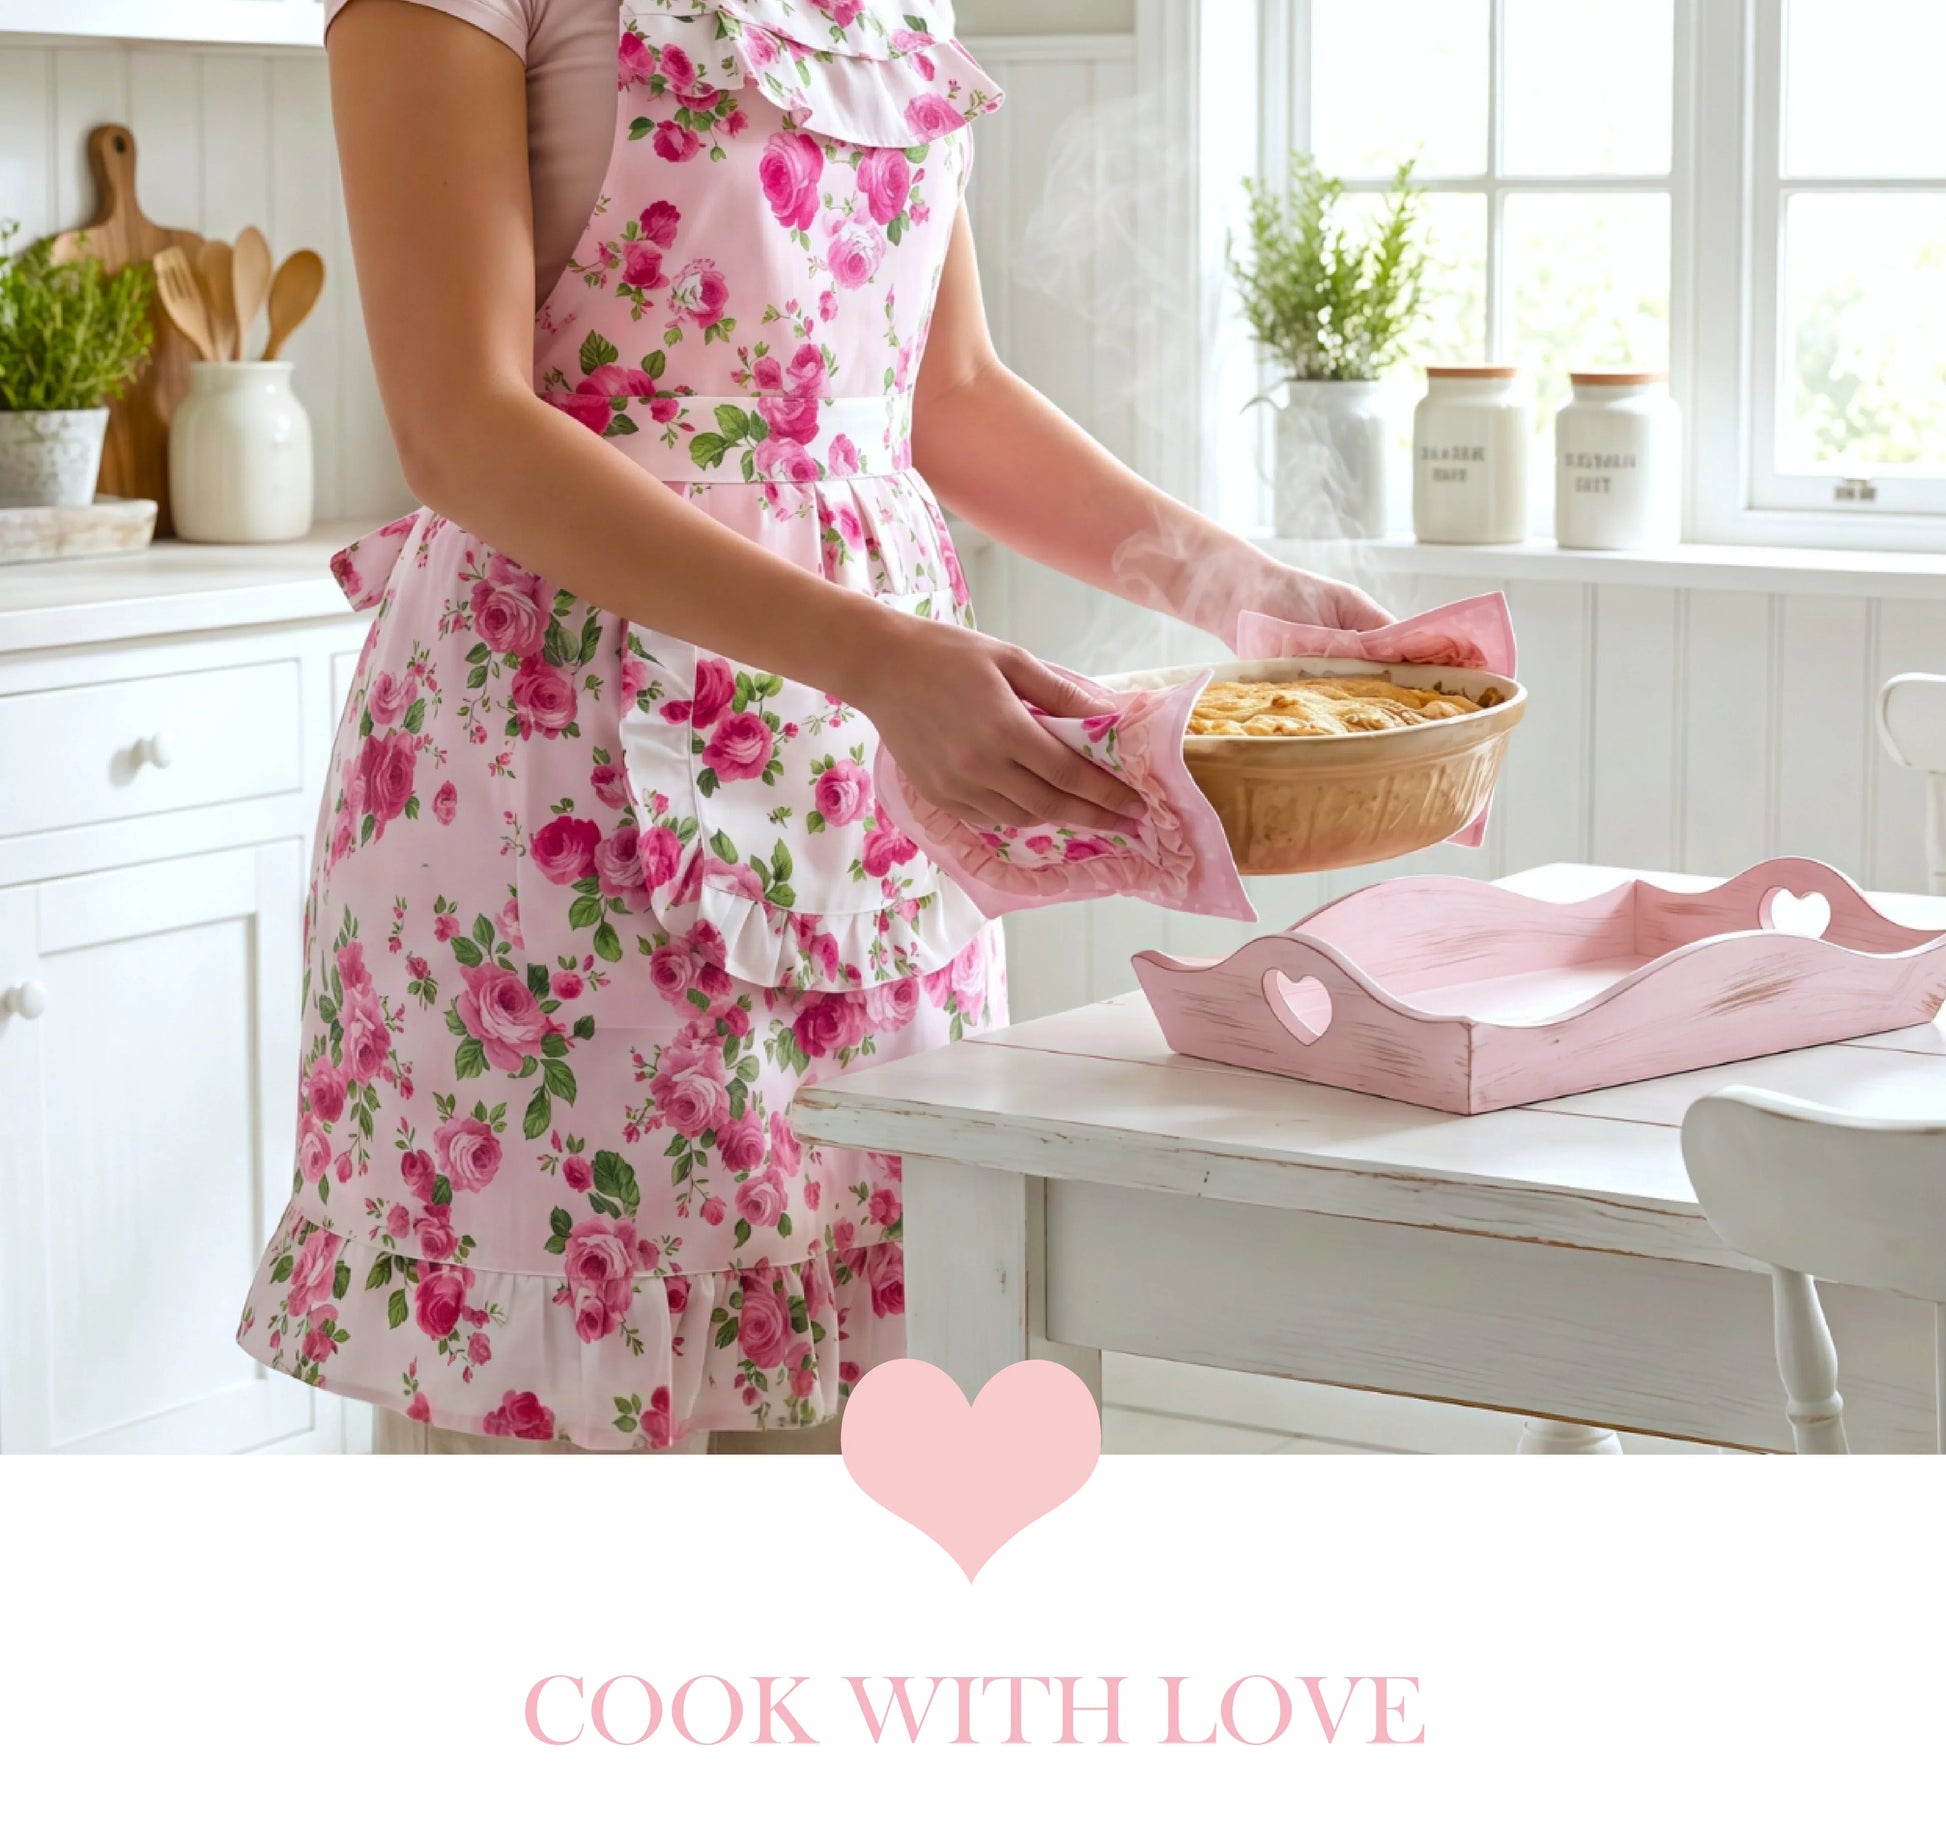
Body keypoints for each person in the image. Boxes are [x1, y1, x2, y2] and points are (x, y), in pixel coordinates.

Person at [234, 0, 1391, 1454]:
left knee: (884, 1402)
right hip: (564, 787)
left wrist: (1242, 588)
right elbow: (461, 422)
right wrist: (878, 658)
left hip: (881, 776)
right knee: (573, 1472)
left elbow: (940, 390)